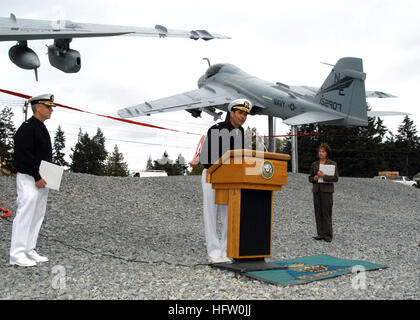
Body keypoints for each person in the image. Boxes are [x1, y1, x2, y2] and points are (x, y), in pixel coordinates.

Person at [199, 98, 251, 263]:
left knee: (229, 215)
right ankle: (214, 253)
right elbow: (207, 158)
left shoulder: (242, 132)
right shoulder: (216, 129)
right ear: (231, 113)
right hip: (212, 176)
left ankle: (227, 250)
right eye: (240, 113)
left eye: (245, 114)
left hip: (231, 179)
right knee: (211, 214)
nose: (243, 117)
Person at [10, 94, 55, 267]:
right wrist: (36, 176)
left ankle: (29, 249)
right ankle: (17, 253)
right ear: (38, 107)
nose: (51, 110)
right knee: (25, 214)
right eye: (48, 107)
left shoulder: (41, 127)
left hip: (41, 178)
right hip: (29, 178)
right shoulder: (27, 128)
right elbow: (23, 155)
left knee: (37, 215)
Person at [308, 143, 338, 242]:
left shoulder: (332, 164)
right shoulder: (314, 164)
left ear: (327, 153)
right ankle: (320, 234)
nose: (321, 153)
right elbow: (310, 178)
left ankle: (328, 235)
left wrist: (324, 176)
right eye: (320, 151)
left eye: (323, 151)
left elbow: (335, 178)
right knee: (318, 212)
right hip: (317, 191)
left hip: (327, 192)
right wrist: (315, 178)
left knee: (326, 213)